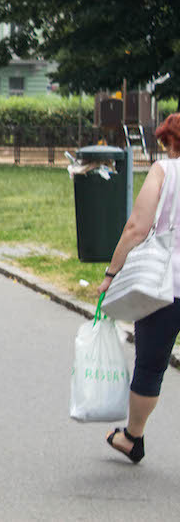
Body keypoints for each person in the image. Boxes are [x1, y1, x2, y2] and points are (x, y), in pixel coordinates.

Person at [99, 112, 180, 464]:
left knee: (151, 365)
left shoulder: (165, 170)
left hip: (165, 285)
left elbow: (137, 227)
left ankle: (132, 438)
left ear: (170, 141)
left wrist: (111, 273)